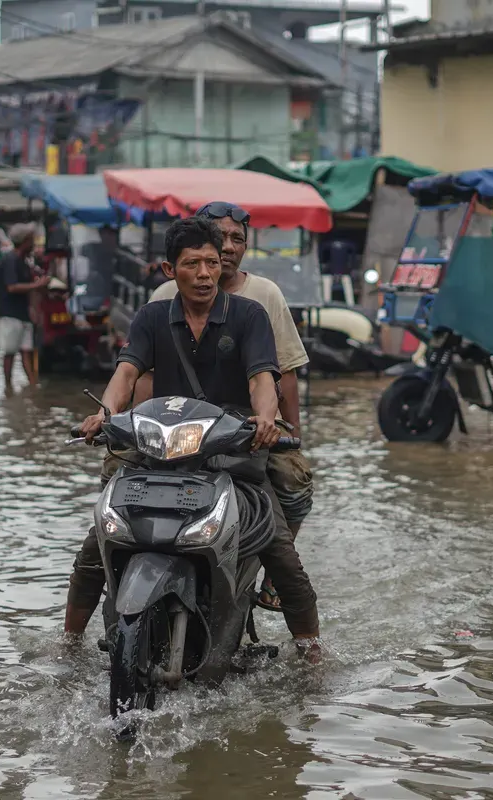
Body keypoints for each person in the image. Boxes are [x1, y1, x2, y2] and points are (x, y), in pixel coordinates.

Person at [67, 217, 322, 659]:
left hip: (233, 448)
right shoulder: (151, 316)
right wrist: (104, 414)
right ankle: (67, 643)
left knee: (279, 550)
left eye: (211, 263)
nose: (204, 274)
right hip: (162, 449)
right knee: (97, 545)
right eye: (192, 264)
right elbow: (126, 373)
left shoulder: (249, 315)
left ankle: (311, 651)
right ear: (171, 270)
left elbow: (263, 378)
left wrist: (266, 420)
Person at [134, 202, 314, 613]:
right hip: (172, 434)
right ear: (174, 268)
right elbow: (139, 372)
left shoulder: (260, 301)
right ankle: (74, 632)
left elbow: (278, 373)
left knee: (290, 492)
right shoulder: (160, 303)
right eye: (219, 239)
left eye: (236, 240)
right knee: (111, 498)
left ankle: (296, 619)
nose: (227, 248)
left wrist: (286, 429)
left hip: (242, 434)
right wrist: (129, 424)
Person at [0, 223, 49, 394]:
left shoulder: (24, 261)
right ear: (25, 241)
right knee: (10, 352)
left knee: (27, 350)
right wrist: (37, 285)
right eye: (31, 240)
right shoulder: (10, 260)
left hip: (23, 313)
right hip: (9, 313)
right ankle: (8, 386)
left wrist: (33, 309)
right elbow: (11, 287)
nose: (33, 243)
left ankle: (32, 384)